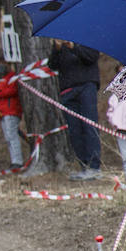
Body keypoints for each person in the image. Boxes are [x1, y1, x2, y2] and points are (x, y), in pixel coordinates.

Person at [48, 39, 103, 180]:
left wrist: (73, 47)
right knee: (74, 130)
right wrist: (57, 49)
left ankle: (94, 166)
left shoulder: (87, 35)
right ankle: (84, 166)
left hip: (86, 85)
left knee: (89, 126)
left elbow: (91, 57)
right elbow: (52, 65)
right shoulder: (59, 43)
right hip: (67, 89)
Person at [0, 65, 27, 171]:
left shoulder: (13, 78)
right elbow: (0, 97)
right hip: (2, 112)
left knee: (12, 136)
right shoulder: (2, 80)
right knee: (8, 137)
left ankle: (18, 161)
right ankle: (14, 160)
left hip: (11, 111)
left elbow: (11, 91)